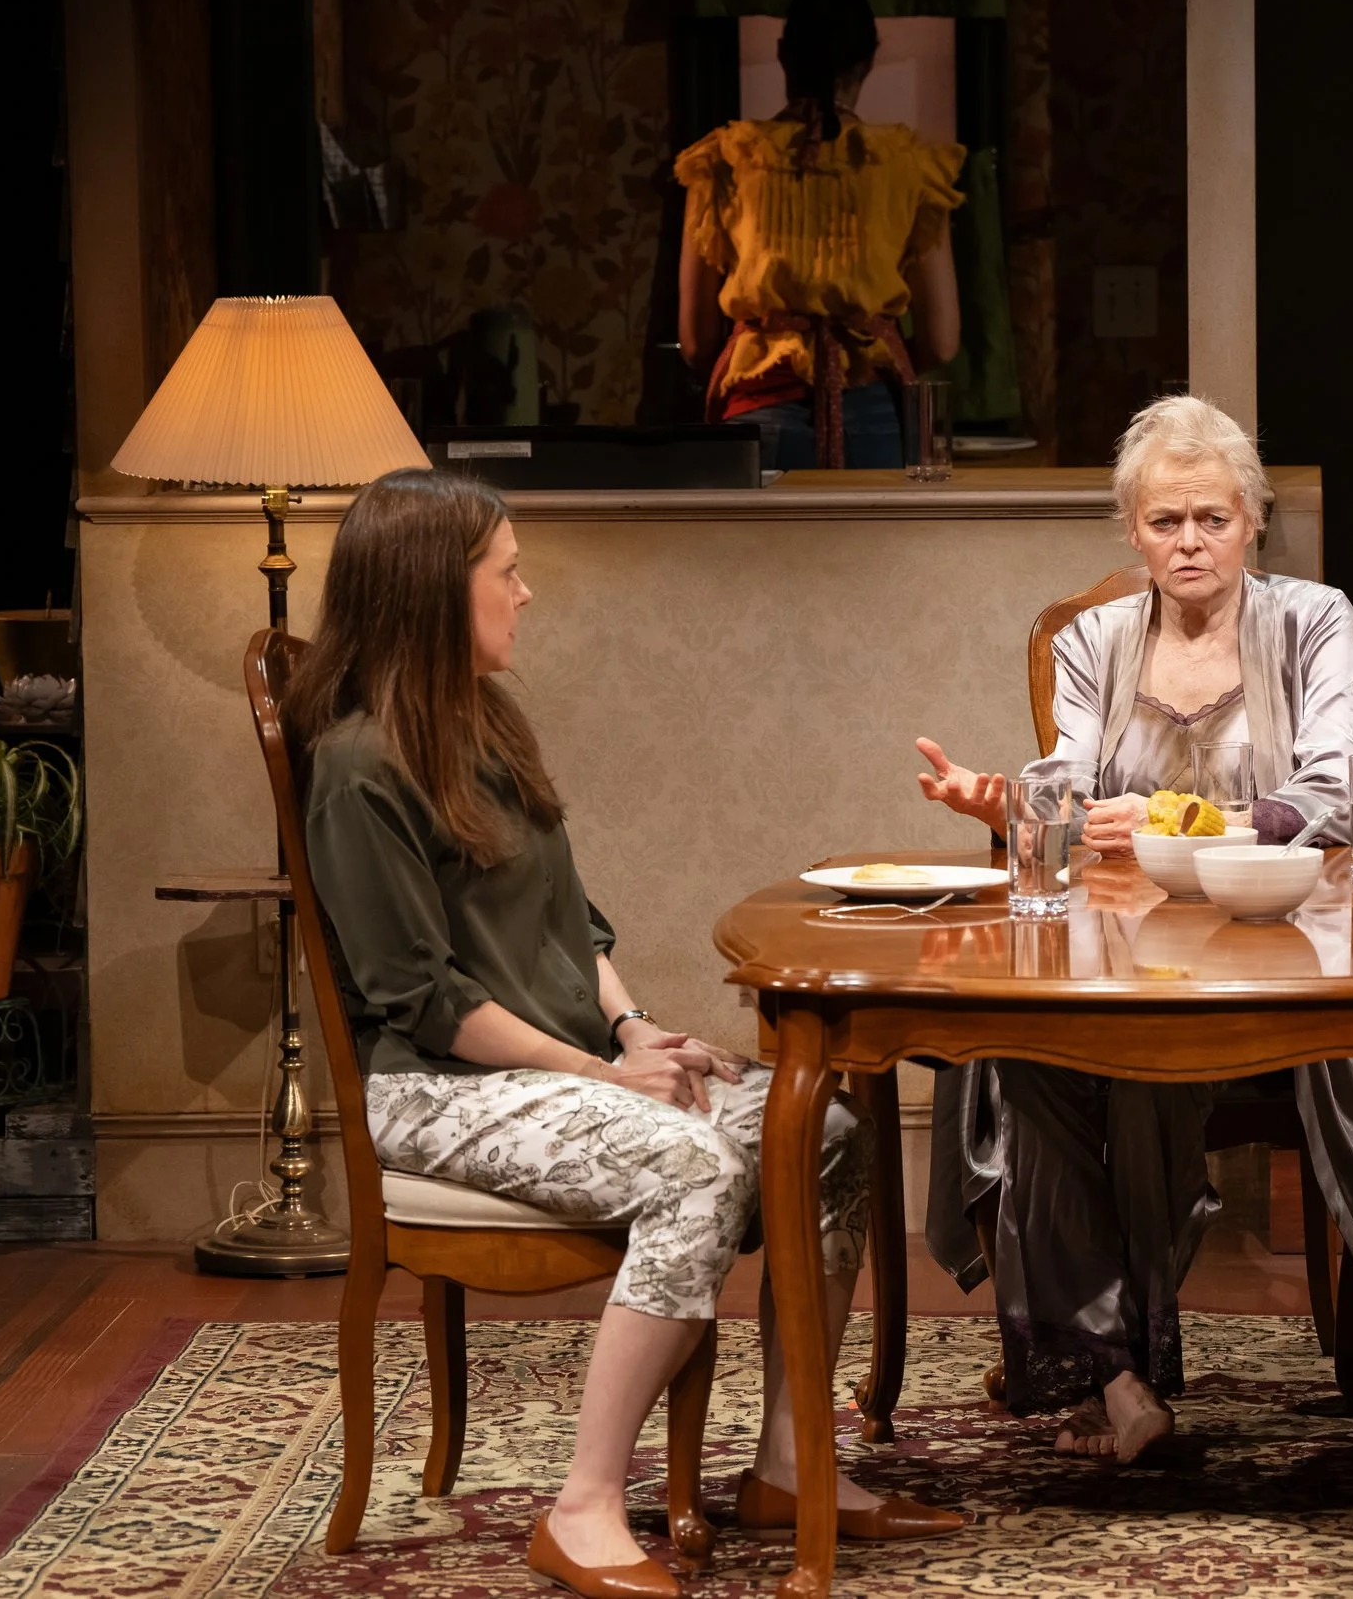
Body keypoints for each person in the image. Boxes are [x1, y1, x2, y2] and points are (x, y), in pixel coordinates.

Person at [286, 471, 962, 1599]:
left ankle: (793, 1462)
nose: (527, 592)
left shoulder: (483, 724)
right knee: (693, 1161)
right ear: (427, 593)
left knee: (826, 1129)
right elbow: (425, 1002)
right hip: (433, 1086)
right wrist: (606, 1072)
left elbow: (574, 924)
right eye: (505, 572)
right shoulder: (359, 768)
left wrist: (636, 1028)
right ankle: (585, 1502)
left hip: (548, 1061)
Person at [911, 394, 1353, 1463]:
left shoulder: (1311, 618)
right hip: (1123, 954)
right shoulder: (1095, 639)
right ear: (1131, 530)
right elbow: (1063, 786)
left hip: (1284, 953)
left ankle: (1109, 1355)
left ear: (1251, 520)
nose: (1190, 541)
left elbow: (1343, 785)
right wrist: (1007, 802)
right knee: (1014, 1060)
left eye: (1212, 517)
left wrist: (1188, 818)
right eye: (1166, 522)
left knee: (1134, 1071)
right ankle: (1118, 1379)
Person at [675, 0, 964, 470]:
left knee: (758, 550)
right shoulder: (908, 165)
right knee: (875, 549)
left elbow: (698, 341)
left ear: (784, 56)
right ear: (868, 61)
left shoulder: (725, 161)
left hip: (759, 408)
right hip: (874, 410)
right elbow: (940, 339)